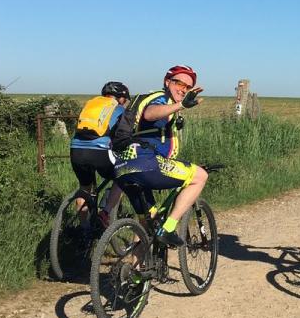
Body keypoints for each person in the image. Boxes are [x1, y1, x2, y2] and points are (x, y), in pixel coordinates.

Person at [113, 65, 207, 248]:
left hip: (123, 167)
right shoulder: (161, 98)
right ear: (167, 82)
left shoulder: (157, 101)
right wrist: (181, 105)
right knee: (200, 176)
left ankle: (137, 266)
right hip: (146, 163)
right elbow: (150, 113)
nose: (183, 89)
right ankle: (169, 228)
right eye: (179, 83)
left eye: (188, 87)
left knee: (146, 224)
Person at [69, 81, 130, 226]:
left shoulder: (91, 105)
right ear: (121, 98)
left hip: (76, 150)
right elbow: (123, 136)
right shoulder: (118, 109)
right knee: (122, 176)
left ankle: (84, 230)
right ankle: (105, 213)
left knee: (84, 189)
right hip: (100, 151)